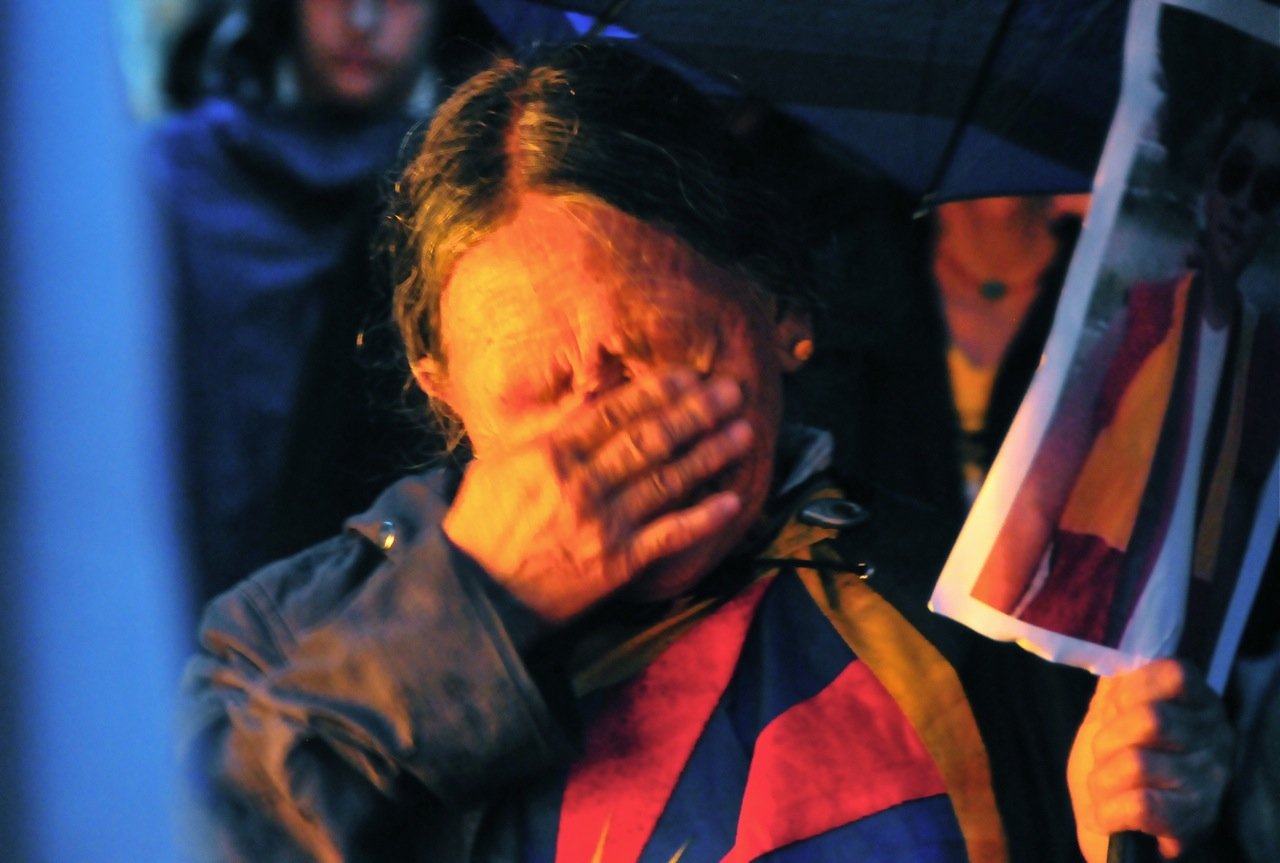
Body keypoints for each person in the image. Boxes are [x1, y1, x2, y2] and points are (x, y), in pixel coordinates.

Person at [180, 43, 1232, 863]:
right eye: (538, 392)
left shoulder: (979, 619)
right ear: (444, 391)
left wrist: (1138, 829)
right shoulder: (286, 644)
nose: (606, 431)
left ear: (779, 309)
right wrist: (473, 604)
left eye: (659, 354)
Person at [149, 0, 503, 613]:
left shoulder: (477, 202)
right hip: (172, 586)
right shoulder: (172, 183)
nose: (362, 20)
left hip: (373, 611)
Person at [969, 87, 1280, 652]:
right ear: (1210, 184)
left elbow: (1228, 557)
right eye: (1236, 176)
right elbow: (1037, 499)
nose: (1243, 203)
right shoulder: (1142, 316)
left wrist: (1199, 672)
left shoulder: (1262, 366)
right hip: (1068, 627)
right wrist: (978, 636)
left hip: (1160, 666)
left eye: (1268, 191)